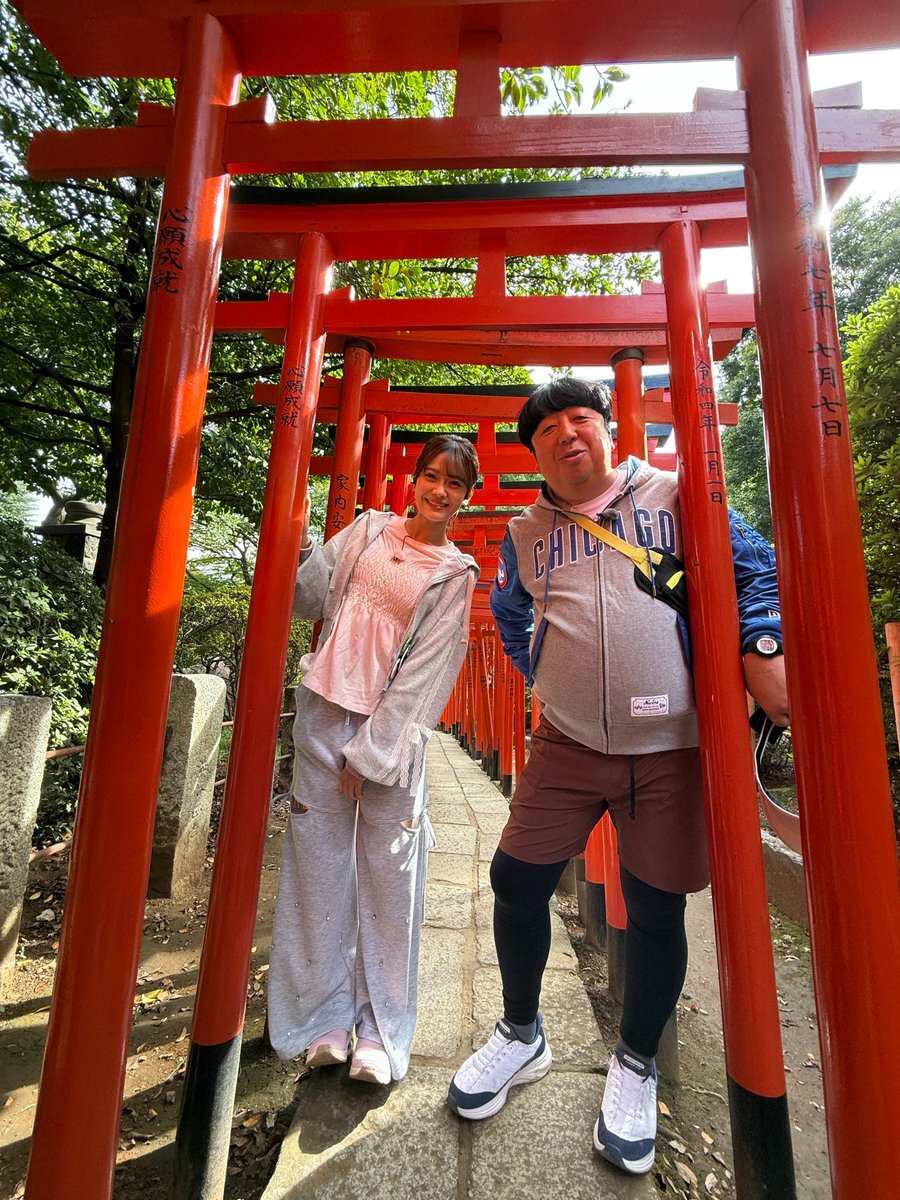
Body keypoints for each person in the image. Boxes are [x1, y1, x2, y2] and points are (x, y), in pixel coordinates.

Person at [447, 379, 788, 1174]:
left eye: (581, 419)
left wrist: (762, 643)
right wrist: (542, 673)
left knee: (656, 906)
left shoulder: (677, 495)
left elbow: (758, 571)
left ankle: (635, 1062)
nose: (566, 433)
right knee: (515, 880)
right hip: (567, 742)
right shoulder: (524, 531)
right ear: (534, 452)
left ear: (607, 430)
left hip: (670, 745)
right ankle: (521, 1032)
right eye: (548, 429)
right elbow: (508, 611)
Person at [268, 434, 480, 1086]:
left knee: (391, 884)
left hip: (392, 738)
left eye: (455, 483)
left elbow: (426, 675)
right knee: (317, 873)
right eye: (432, 475)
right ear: (413, 480)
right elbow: (308, 598)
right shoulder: (364, 532)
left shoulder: (455, 574)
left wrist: (371, 754)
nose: (440, 490)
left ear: (467, 498)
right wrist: (299, 538)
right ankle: (322, 1019)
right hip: (323, 712)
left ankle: (382, 1030)